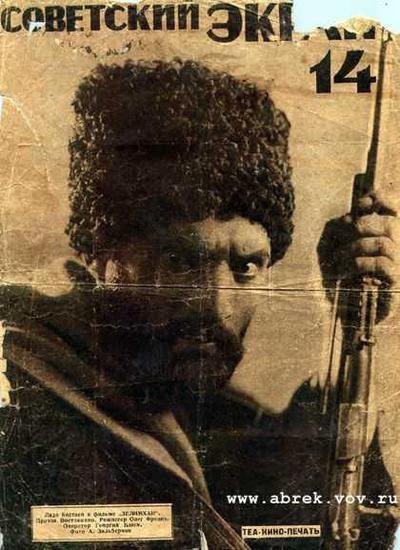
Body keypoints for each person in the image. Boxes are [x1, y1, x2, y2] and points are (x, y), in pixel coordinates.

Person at [0, 59, 398, 549]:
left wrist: (348, 321)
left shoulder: (208, 417)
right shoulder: (21, 405)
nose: (216, 306)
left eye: (246, 266)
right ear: (103, 257)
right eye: (181, 261)